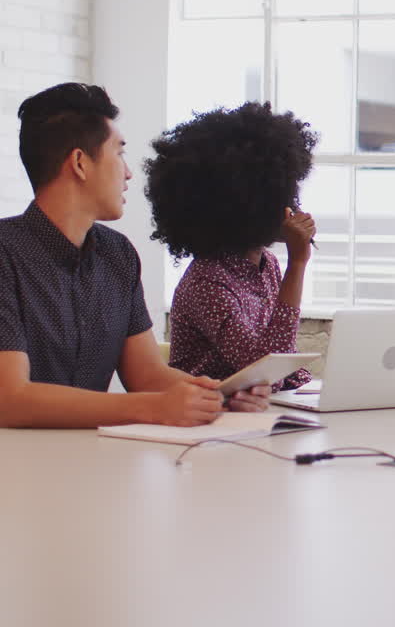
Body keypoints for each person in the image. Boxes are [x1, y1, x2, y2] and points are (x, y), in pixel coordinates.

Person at [0, 83, 224, 428]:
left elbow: (148, 376)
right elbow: (10, 399)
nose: (129, 172)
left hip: (96, 464)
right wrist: (150, 408)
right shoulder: (5, 253)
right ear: (79, 163)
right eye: (119, 153)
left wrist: (217, 395)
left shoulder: (118, 254)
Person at [146, 103, 317, 407]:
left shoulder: (267, 265)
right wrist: (299, 263)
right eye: (279, 195)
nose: (290, 205)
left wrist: (316, 388)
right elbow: (264, 368)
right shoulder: (206, 282)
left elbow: (278, 367)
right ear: (245, 207)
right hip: (205, 420)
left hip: (255, 413)